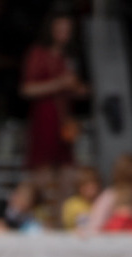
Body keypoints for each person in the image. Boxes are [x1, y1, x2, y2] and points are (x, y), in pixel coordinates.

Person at [20, 11, 86, 172]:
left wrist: (77, 88)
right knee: (44, 169)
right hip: (44, 117)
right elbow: (26, 89)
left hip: (64, 118)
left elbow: (79, 89)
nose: (64, 34)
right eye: (60, 30)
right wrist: (59, 84)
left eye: (68, 30)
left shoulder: (70, 56)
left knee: (68, 169)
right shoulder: (38, 53)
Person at [60, 164, 101, 231]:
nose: (90, 187)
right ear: (78, 186)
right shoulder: (72, 204)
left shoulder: (103, 201)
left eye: (92, 183)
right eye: (85, 184)